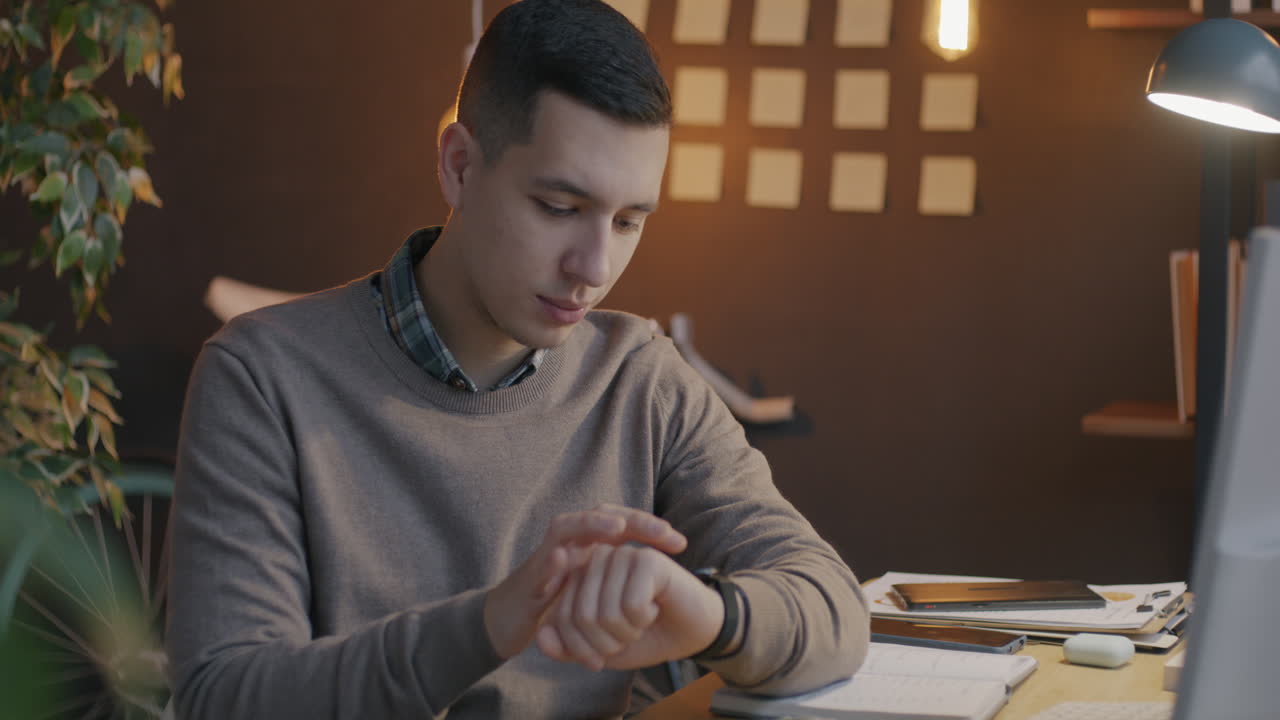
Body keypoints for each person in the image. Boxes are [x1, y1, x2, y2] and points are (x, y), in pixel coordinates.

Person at [165, 1, 870, 717]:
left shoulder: (640, 379)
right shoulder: (261, 377)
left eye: (629, 221)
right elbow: (225, 697)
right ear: (460, 167)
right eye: (560, 207)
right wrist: (487, 624)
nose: (595, 268)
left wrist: (714, 617)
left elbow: (835, 609)